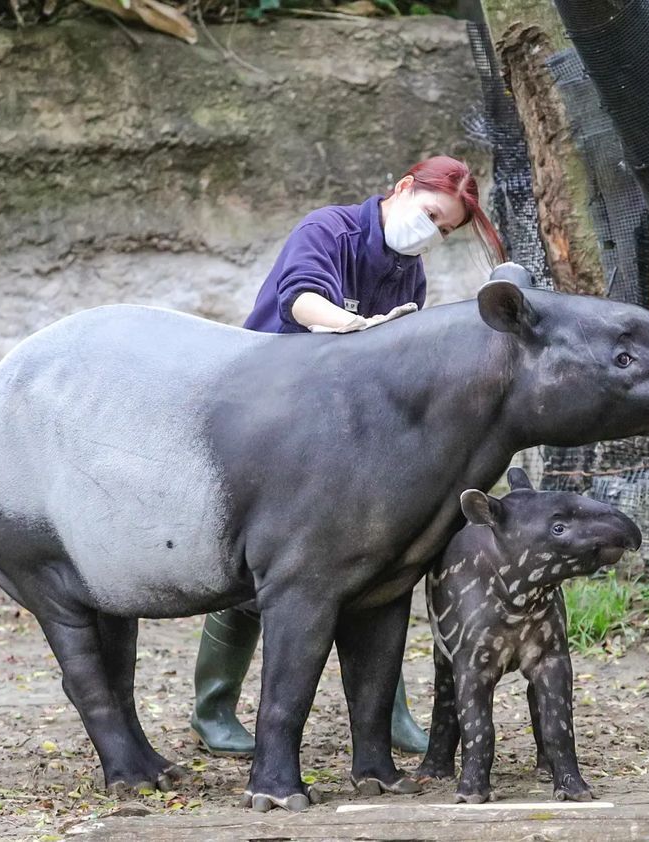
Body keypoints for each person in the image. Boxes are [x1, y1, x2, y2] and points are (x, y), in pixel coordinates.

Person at [192, 155, 506, 755]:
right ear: (406, 188)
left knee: (377, 572)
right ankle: (213, 711)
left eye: (444, 232)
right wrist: (358, 330)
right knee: (256, 579)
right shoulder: (328, 229)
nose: (433, 235)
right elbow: (300, 300)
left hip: (345, 433)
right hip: (270, 412)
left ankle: (386, 715)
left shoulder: (408, 272)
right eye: (434, 216)